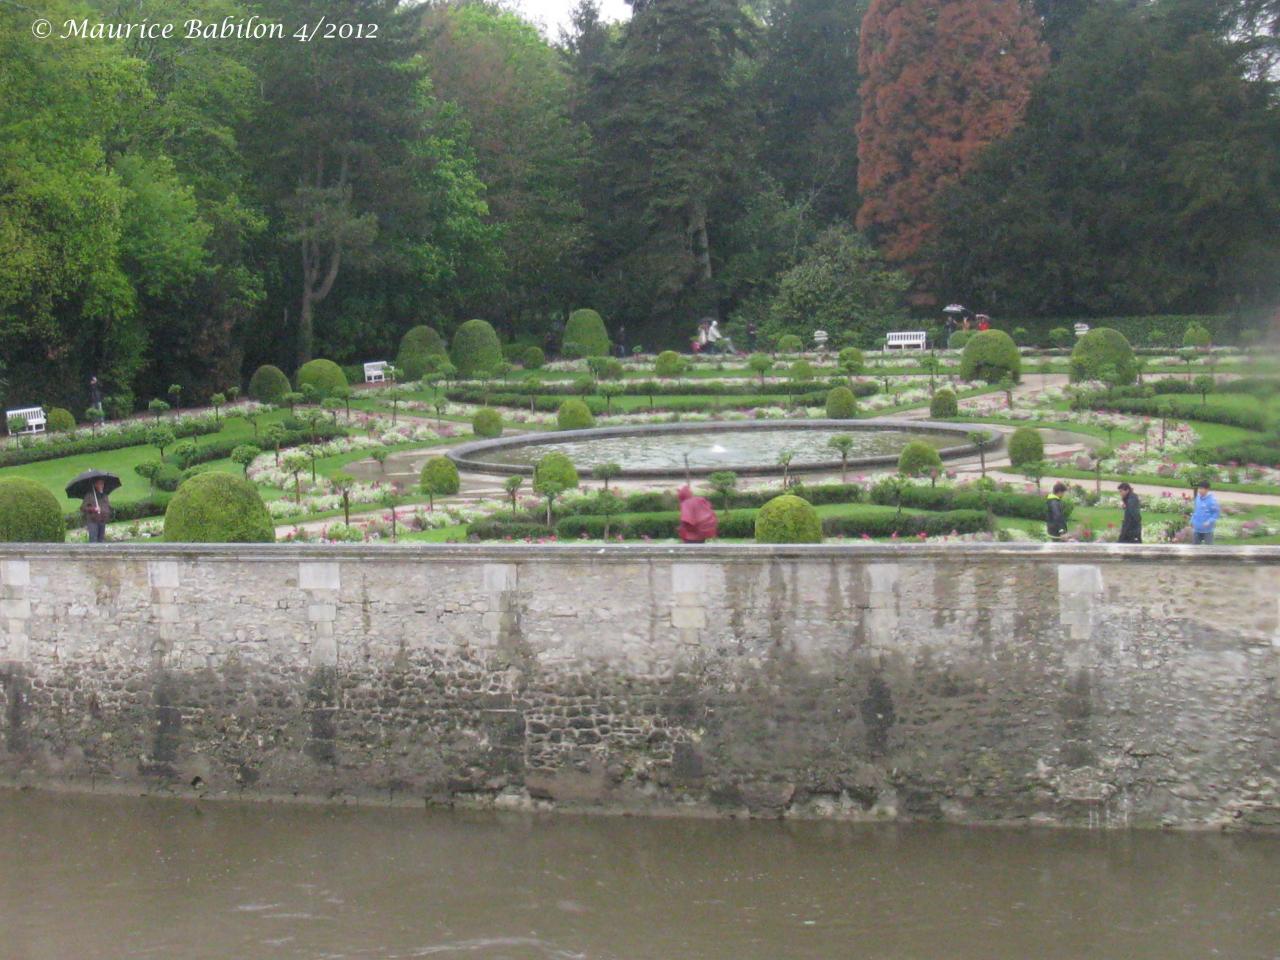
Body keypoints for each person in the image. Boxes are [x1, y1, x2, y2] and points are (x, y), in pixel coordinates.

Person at [82, 477, 112, 543]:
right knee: (93, 541)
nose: (102, 486)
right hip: (92, 521)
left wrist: (106, 512)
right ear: (95, 485)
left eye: (103, 484)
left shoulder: (104, 495)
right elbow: (83, 508)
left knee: (101, 541)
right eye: (100, 484)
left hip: (102, 520)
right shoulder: (89, 495)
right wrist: (94, 509)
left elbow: (107, 506)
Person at [1189, 480, 1220, 545]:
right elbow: (1196, 510)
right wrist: (1192, 521)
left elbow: (1216, 513)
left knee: (1209, 549)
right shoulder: (1197, 498)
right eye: (1199, 488)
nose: (1199, 490)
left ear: (1207, 489)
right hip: (1197, 528)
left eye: (1201, 489)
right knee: (1194, 548)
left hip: (1207, 530)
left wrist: (1209, 521)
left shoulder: (1212, 501)